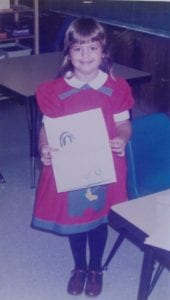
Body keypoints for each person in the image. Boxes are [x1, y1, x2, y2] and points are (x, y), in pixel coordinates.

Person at [32, 17, 134, 297]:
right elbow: (46, 128)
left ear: (103, 53)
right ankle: (79, 267)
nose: (85, 55)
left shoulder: (115, 88)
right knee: (77, 220)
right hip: (72, 167)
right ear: (68, 53)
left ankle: (96, 267)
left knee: (99, 220)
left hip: (105, 166)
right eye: (78, 49)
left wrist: (121, 139)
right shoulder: (55, 91)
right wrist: (44, 148)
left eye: (92, 48)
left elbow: (124, 124)